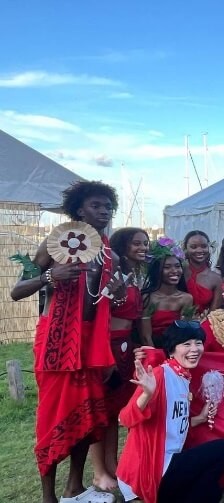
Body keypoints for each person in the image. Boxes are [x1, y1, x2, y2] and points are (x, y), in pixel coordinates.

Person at [9, 180, 126, 503]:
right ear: (79, 210)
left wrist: (116, 296)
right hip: (57, 341)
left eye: (108, 207)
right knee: (52, 417)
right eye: (95, 205)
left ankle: (74, 488)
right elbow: (17, 291)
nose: (103, 211)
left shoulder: (111, 256)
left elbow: (106, 303)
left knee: (87, 418)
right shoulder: (54, 244)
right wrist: (49, 276)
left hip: (92, 344)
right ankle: (48, 497)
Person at [116, 322, 224, 503]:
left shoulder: (183, 377)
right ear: (171, 350)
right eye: (186, 344)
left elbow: (172, 425)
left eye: (198, 343)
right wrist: (146, 394)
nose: (194, 349)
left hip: (166, 465)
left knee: (213, 493)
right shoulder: (160, 374)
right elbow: (124, 419)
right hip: (148, 472)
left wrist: (200, 418)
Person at [89, 227, 149, 491]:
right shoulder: (112, 274)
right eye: (136, 243)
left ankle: (112, 464)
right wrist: (105, 353)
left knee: (114, 410)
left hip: (125, 347)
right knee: (99, 409)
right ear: (122, 245)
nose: (142, 248)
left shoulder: (135, 275)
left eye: (145, 243)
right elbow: (99, 314)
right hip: (107, 346)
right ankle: (98, 472)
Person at [140, 242, 194, 348]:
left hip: (176, 348)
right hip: (151, 347)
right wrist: (155, 354)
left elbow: (184, 333)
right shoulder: (147, 298)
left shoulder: (186, 298)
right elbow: (145, 336)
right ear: (157, 271)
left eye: (177, 266)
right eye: (167, 267)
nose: (174, 271)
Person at [183, 230, 222, 316]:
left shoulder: (216, 279)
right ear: (185, 248)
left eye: (204, 246)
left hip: (204, 322)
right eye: (193, 247)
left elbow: (213, 314)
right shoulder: (179, 273)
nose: (199, 250)